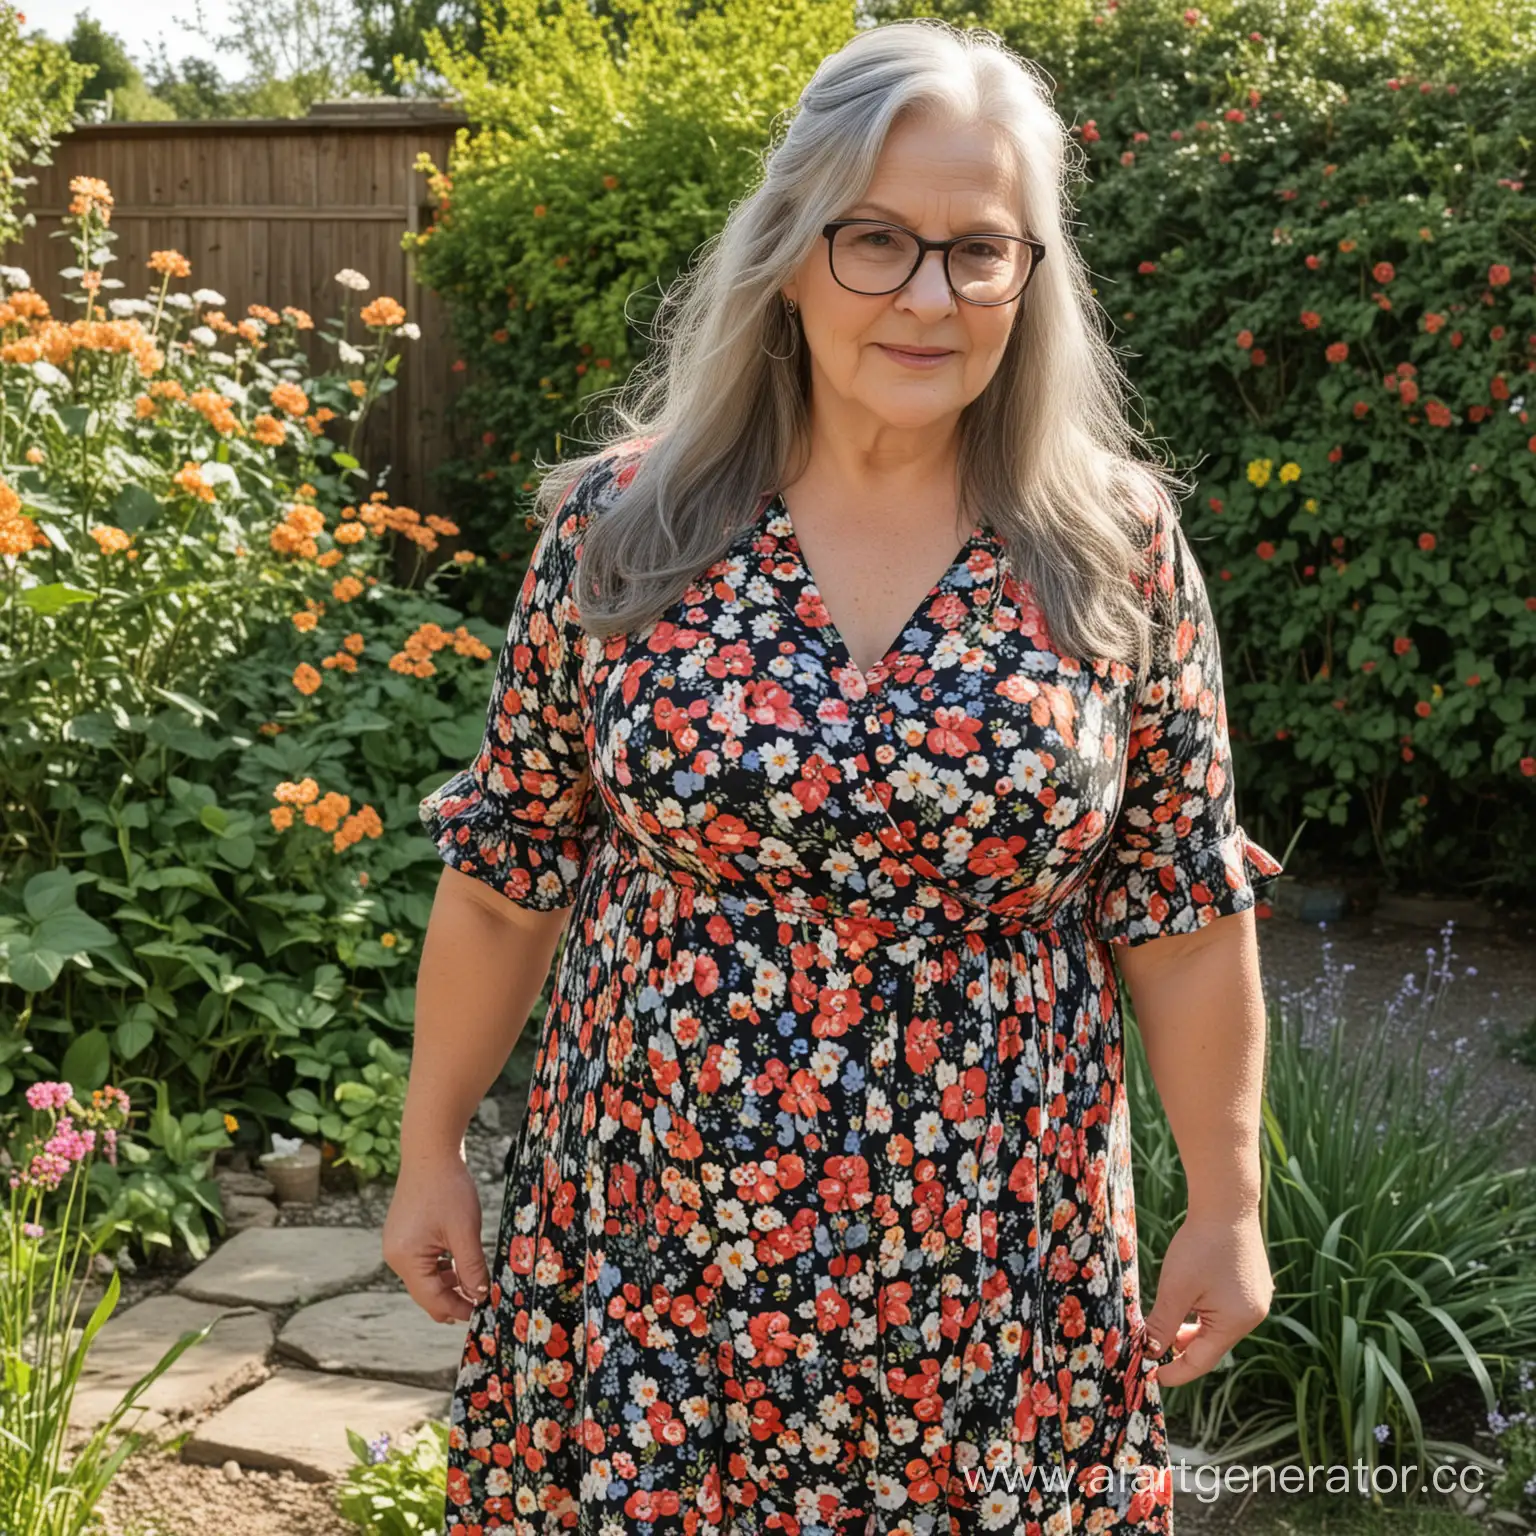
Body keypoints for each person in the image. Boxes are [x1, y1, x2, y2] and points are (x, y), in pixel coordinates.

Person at [385, 18, 1281, 1535]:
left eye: (978, 250)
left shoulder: (1110, 550)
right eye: (876, 241)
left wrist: (1231, 1205)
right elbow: (506, 878)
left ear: (1030, 276)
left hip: (998, 1281)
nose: (928, 295)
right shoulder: (628, 533)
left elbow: (1181, 913)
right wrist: (428, 1153)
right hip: (656, 1259)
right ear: (793, 250)